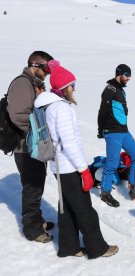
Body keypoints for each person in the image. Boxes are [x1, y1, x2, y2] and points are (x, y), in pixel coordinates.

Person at [34, 60, 118, 258]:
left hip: (58, 166)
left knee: (67, 207)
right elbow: (69, 143)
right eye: (72, 85)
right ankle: (97, 247)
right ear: (65, 87)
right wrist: (83, 170)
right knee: (84, 209)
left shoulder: (48, 105)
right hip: (69, 167)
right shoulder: (61, 108)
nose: (74, 88)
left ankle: (69, 246)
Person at [7, 51, 55, 243]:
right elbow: (18, 115)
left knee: (37, 184)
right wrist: (39, 133)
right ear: (35, 65)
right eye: (46, 69)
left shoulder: (34, 84)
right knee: (32, 187)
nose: (48, 74)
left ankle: (37, 219)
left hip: (35, 145)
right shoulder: (22, 83)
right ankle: (33, 229)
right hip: (26, 146)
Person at [97, 64, 135, 207]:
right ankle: (105, 192)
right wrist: (101, 129)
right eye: (126, 75)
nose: (128, 78)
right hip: (112, 131)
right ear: (119, 74)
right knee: (112, 163)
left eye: (129, 76)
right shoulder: (110, 89)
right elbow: (103, 110)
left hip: (123, 130)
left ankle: (134, 188)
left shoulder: (120, 89)